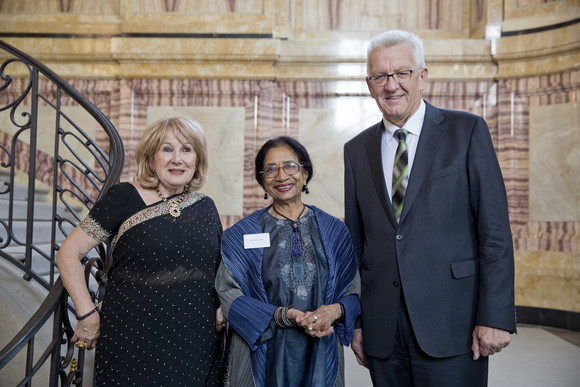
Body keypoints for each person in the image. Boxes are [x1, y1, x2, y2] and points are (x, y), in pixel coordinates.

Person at [343, 30, 516, 386]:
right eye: (380, 76)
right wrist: (357, 323)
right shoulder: (356, 150)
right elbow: (355, 246)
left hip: (454, 323)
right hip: (383, 330)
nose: (391, 86)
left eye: (402, 73)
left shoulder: (466, 131)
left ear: (422, 76)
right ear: (369, 84)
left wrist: (495, 315)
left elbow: (494, 230)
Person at [56, 117, 226, 386]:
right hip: (132, 338)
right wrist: (86, 312)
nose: (177, 159)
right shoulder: (124, 197)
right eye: (167, 149)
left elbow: (217, 267)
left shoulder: (206, 207)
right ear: (150, 159)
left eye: (186, 149)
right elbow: (68, 252)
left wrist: (222, 304)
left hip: (194, 340)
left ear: (197, 160)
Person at [215, 136, 361, 387]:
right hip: (261, 355)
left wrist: (333, 311)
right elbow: (229, 295)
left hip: (320, 352)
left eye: (290, 166)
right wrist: (283, 316)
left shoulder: (334, 231)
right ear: (262, 181)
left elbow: (354, 292)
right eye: (270, 169)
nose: (281, 176)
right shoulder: (241, 235)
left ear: (305, 173)